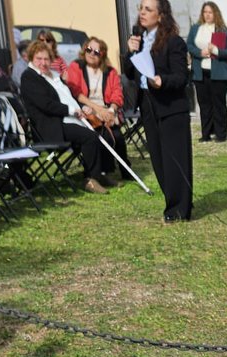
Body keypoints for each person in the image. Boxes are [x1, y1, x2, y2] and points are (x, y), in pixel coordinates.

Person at [126, 0, 193, 221]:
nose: (142, 13)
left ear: (161, 15)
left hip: (170, 106)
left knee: (175, 160)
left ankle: (179, 209)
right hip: (148, 105)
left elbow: (181, 77)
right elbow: (130, 72)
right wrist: (130, 52)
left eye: (148, 9)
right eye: (141, 8)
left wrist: (161, 81)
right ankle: (173, 201)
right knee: (159, 159)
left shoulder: (173, 43)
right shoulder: (140, 41)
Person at [19, 40, 108, 194]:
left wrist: (81, 108)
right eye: (39, 59)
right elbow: (45, 104)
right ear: (31, 58)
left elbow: (67, 97)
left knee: (102, 131)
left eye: (46, 59)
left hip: (67, 118)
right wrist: (72, 110)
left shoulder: (53, 75)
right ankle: (91, 179)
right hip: (50, 126)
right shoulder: (29, 77)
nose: (43, 62)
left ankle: (101, 173)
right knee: (90, 137)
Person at [63, 37, 129, 184]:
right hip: (86, 109)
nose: (92, 54)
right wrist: (97, 109)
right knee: (101, 135)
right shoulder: (76, 67)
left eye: (96, 51)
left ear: (103, 54)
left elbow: (117, 94)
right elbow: (75, 91)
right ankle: (100, 172)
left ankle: (125, 169)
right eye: (89, 50)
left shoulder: (110, 72)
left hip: (107, 110)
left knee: (117, 136)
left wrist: (111, 110)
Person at [187, 2, 227, 143]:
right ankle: (206, 134)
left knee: (218, 104)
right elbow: (189, 45)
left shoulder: (222, 30)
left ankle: (221, 134)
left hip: (218, 74)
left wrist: (216, 51)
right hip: (200, 73)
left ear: (215, 14)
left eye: (210, 12)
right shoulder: (196, 29)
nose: (207, 15)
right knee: (204, 104)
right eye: (205, 12)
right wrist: (200, 52)